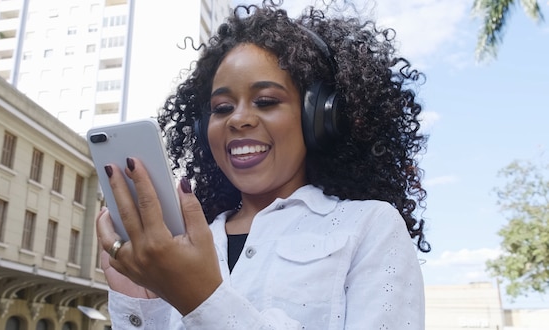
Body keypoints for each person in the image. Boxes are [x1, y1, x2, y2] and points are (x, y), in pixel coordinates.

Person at [95, 1, 431, 328]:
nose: (238, 119)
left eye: (266, 101)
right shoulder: (183, 245)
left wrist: (202, 299)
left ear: (319, 117)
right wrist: (143, 307)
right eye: (222, 107)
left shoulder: (369, 227)